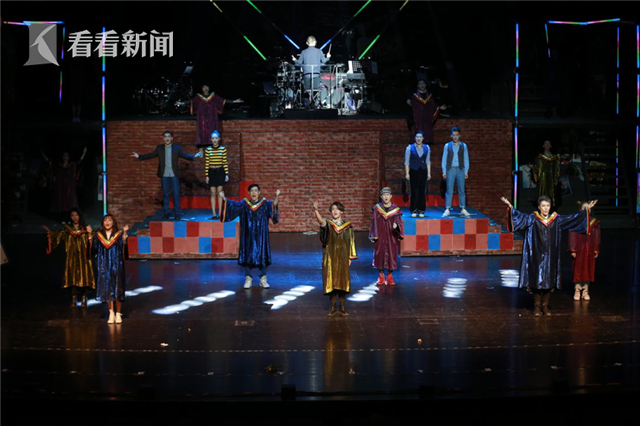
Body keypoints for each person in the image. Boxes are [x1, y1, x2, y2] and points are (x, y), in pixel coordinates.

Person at [500, 195, 597, 316]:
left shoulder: (556, 219)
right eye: (543, 206)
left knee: (549, 281)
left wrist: (586, 211)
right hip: (536, 255)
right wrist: (510, 207)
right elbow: (519, 218)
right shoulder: (532, 218)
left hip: (551, 255)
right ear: (539, 207)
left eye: (548, 206)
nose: (546, 208)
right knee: (536, 281)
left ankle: (545, 306)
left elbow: (572, 219)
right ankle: (537, 306)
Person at [219, 184, 281, 288]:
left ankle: (263, 279)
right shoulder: (244, 204)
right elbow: (233, 205)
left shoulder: (264, 204)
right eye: (252, 191)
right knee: (248, 254)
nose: (254, 192)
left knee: (262, 255)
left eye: (256, 190)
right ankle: (248, 278)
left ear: (259, 192)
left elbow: (273, 205)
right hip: (248, 236)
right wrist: (224, 198)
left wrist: (277, 196)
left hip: (261, 236)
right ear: (249, 193)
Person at [131, 131, 202, 220]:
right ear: (163, 138)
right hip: (164, 175)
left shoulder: (177, 148)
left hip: (174, 175)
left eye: (169, 136)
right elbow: (151, 155)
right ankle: (166, 213)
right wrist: (139, 156)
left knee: (176, 194)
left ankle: (177, 213)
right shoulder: (159, 148)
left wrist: (194, 156)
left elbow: (185, 155)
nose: (167, 138)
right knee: (166, 195)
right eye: (165, 136)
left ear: (172, 138)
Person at [313, 200, 357, 317]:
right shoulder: (328, 224)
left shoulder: (348, 226)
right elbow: (321, 221)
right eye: (332, 209)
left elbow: (351, 241)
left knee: (343, 280)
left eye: (337, 209)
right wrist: (316, 211)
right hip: (330, 256)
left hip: (343, 256)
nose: (335, 211)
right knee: (331, 279)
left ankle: (342, 305)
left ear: (342, 211)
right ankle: (332, 305)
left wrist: (350, 256)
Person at [43, 208, 95, 307]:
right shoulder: (67, 230)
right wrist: (50, 234)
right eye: (72, 215)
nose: (75, 217)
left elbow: (93, 240)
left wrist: (90, 234)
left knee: (84, 276)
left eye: (76, 215)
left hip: (83, 257)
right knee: (72, 276)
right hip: (72, 257)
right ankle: (73, 298)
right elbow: (58, 236)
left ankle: (84, 297)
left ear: (80, 216)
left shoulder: (85, 228)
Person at [87, 214, 129, 324]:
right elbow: (93, 250)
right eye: (105, 220)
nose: (107, 222)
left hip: (117, 265)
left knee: (117, 288)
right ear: (102, 223)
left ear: (113, 222)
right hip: (104, 266)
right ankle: (111, 312)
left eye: (109, 220)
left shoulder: (118, 235)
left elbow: (123, 249)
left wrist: (125, 236)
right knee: (108, 289)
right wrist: (90, 237)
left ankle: (118, 313)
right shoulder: (98, 236)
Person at [42, 147, 87, 221]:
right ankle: (61, 217)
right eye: (64, 156)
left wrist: (84, 153)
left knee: (70, 202)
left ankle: (69, 218)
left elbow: (79, 162)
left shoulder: (72, 165)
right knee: (60, 201)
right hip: (61, 186)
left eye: (66, 156)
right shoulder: (58, 165)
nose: (65, 157)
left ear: (69, 157)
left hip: (69, 186)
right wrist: (42, 153)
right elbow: (49, 163)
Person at [190, 84, 242, 149]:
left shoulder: (214, 97)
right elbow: (191, 102)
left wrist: (234, 101)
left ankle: (213, 145)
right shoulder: (198, 98)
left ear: (209, 88)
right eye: (204, 87)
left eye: (207, 87)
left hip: (212, 117)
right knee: (202, 130)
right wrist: (182, 103)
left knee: (212, 129)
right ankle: (201, 145)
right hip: (202, 118)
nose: (205, 88)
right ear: (202, 89)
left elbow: (223, 100)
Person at [369, 187, 404, 286]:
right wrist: (373, 235)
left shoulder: (396, 210)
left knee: (391, 254)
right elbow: (373, 222)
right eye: (384, 195)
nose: (386, 197)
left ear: (391, 196)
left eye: (388, 195)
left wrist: (397, 226)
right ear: (381, 196)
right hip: (380, 235)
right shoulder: (377, 209)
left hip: (391, 236)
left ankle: (389, 276)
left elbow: (399, 222)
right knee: (379, 254)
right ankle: (381, 276)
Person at [568, 201, 601, 301]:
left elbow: (597, 236)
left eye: (588, 208)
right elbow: (572, 235)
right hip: (579, 249)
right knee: (577, 269)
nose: (587, 210)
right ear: (580, 210)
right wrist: (573, 249)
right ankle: (577, 289)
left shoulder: (594, 222)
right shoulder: (576, 222)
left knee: (588, 269)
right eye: (584, 208)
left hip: (589, 249)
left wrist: (596, 248)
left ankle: (586, 290)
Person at [442, 126, 470, 217]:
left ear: (459, 136)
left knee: (461, 189)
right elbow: (444, 158)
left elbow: (466, 158)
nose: (455, 137)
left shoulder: (463, 146)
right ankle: (447, 208)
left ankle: (462, 208)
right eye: (453, 135)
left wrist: (466, 171)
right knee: (449, 189)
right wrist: (444, 171)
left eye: (457, 135)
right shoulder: (447, 146)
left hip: (460, 169)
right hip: (450, 169)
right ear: (451, 136)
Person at [406, 79, 446, 144]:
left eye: (423, 83)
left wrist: (439, 108)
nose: (422, 85)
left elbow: (433, 106)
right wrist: (409, 103)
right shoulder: (414, 97)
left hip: (427, 119)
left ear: (426, 85)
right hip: (418, 119)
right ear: (417, 86)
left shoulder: (430, 96)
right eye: (420, 84)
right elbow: (411, 108)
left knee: (427, 134)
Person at [404, 131, 431, 217]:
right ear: (415, 138)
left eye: (420, 137)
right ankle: (414, 210)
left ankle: (421, 210)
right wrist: (407, 173)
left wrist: (429, 173)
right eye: (417, 137)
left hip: (423, 171)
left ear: (423, 138)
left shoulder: (427, 147)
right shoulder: (409, 148)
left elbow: (428, 161)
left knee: (422, 191)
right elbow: (406, 162)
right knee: (414, 191)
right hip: (413, 170)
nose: (419, 138)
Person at [204, 131, 229, 220]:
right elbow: (207, 163)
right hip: (211, 172)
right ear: (211, 140)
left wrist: (226, 174)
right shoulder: (208, 150)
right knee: (213, 193)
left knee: (220, 192)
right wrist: (207, 175)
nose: (214, 140)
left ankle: (220, 213)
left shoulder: (223, 149)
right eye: (213, 138)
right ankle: (214, 214)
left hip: (220, 171)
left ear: (219, 139)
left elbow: (225, 162)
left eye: (216, 138)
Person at [532, 140, 560, 208]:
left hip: (551, 178)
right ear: (543, 146)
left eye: (548, 144)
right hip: (542, 178)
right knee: (542, 191)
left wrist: (556, 177)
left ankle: (551, 207)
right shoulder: (539, 157)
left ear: (551, 146)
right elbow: (536, 168)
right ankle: (541, 206)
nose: (547, 145)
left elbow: (557, 168)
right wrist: (536, 177)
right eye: (546, 144)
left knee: (551, 193)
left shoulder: (555, 158)